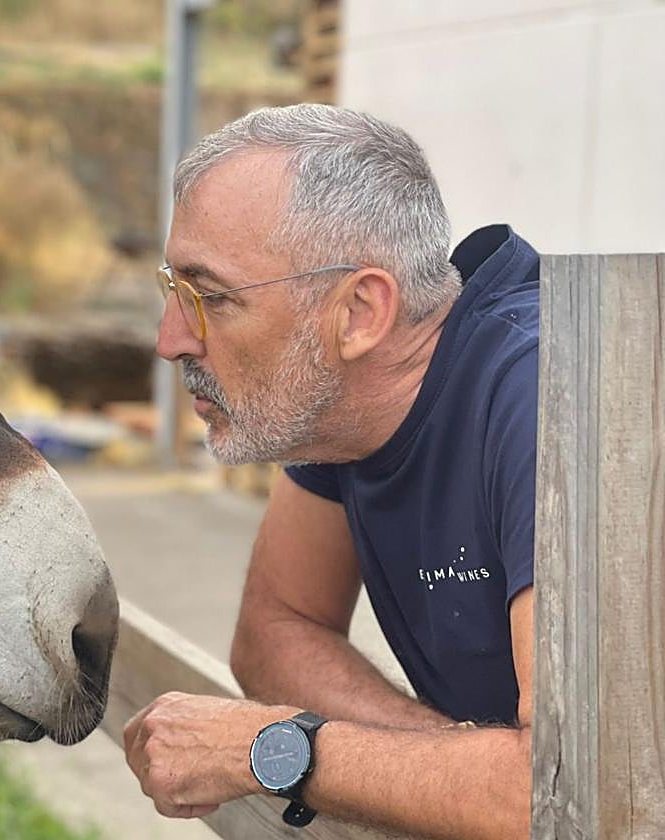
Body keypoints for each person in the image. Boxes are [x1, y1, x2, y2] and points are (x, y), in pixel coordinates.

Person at [123, 104, 537, 840]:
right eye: (172, 291)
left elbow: (552, 795)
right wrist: (449, 774)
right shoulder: (338, 405)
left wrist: (274, 750)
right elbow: (274, 632)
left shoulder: (537, 399)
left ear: (360, 313)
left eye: (210, 297)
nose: (170, 339)